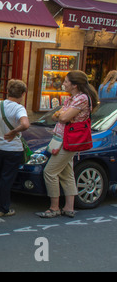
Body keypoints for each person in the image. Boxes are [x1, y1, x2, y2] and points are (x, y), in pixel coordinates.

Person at [37, 70, 98, 218]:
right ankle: (69, 207)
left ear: (74, 85)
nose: (63, 84)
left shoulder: (81, 99)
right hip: (62, 139)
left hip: (67, 140)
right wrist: (60, 115)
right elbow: (55, 115)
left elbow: (62, 117)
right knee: (67, 173)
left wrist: (60, 115)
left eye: (66, 81)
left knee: (50, 172)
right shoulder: (72, 98)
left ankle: (54, 207)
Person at [0, 79, 29, 217]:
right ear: (22, 94)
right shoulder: (19, 108)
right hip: (12, 148)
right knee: (7, 178)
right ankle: (2, 208)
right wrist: (14, 131)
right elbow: (25, 124)